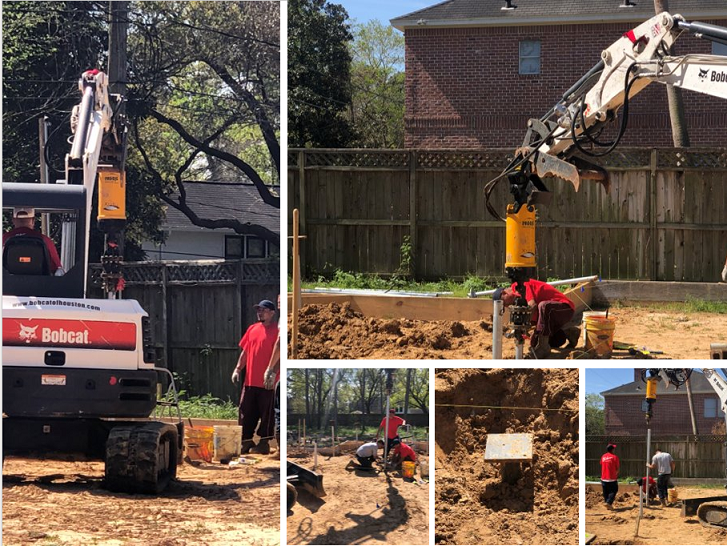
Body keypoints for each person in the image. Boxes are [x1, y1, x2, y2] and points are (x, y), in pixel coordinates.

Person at [231, 300, 279, 455]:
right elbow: (245, 352)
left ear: (272, 312)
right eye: (258, 310)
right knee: (245, 411)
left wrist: (273, 373)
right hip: (250, 381)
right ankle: (246, 441)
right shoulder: (252, 329)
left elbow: (280, 355)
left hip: (268, 383)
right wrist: (238, 369)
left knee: (267, 414)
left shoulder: (277, 331)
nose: (260, 313)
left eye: (263, 310)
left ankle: (264, 443)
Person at [494, 278, 579, 358]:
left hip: (565, 309)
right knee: (534, 343)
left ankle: (543, 347)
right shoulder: (518, 300)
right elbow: (536, 320)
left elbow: (532, 305)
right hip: (551, 317)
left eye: (504, 303)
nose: (506, 306)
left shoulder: (522, 285)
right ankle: (568, 333)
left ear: (504, 293)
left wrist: (523, 325)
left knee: (544, 306)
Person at [3, 207, 63, 274]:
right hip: (40, 283)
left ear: (13, 220)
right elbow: (57, 268)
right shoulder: (45, 240)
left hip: (8, 282)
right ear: (33, 220)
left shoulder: (3, 239)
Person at [600, 443, 620, 510]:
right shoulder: (615, 457)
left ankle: (607, 503)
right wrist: (616, 473)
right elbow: (617, 468)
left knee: (606, 492)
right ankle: (608, 503)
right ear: (612, 449)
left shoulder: (603, 456)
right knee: (614, 490)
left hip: (603, 478)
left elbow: (601, 464)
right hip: (612, 478)